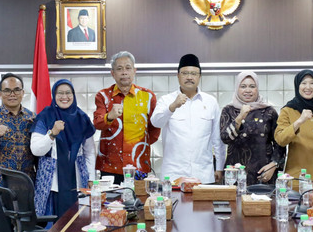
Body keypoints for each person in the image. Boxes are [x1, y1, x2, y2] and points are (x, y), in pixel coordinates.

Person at [151, 54, 226, 184]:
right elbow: (155, 122)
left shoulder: (211, 102)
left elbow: (217, 138)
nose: (189, 77)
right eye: (185, 73)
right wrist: (172, 107)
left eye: (193, 73)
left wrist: (219, 167)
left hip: (203, 173)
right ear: (178, 75)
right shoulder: (166, 100)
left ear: (199, 77)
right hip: (173, 174)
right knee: (173, 204)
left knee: (204, 205)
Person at [31, 79, 96, 217]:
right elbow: (36, 150)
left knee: (78, 223)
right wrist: (52, 133)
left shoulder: (82, 118)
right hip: (51, 182)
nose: (64, 97)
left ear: (73, 95)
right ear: (54, 95)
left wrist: (91, 178)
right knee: (52, 225)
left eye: (68, 93)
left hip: (77, 180)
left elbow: (89, 152)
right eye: (60, 93)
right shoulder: (45, 115)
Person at [94, 51, 160, 183]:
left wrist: (138, 144)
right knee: (111, 203)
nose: (124, 72)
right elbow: (97, 123)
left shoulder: (147, 96)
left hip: (139, 164)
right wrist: (110, 116)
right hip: (109, 166)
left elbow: (154, 130)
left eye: (128, 68)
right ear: (113, 73)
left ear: (134, 71)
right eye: (119, 69)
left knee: (139, 202)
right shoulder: (103, 96)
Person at [220, 71, 286, 185]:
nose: (248, 90)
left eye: (252, 86)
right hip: (235, 175)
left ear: (257, 88)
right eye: (243, 86)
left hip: (264, 174)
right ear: (237, 88)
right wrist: (240, 117)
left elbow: (280, 142)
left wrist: (274, 165)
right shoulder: (228, 110)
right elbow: (225, 138)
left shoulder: (269, 111)